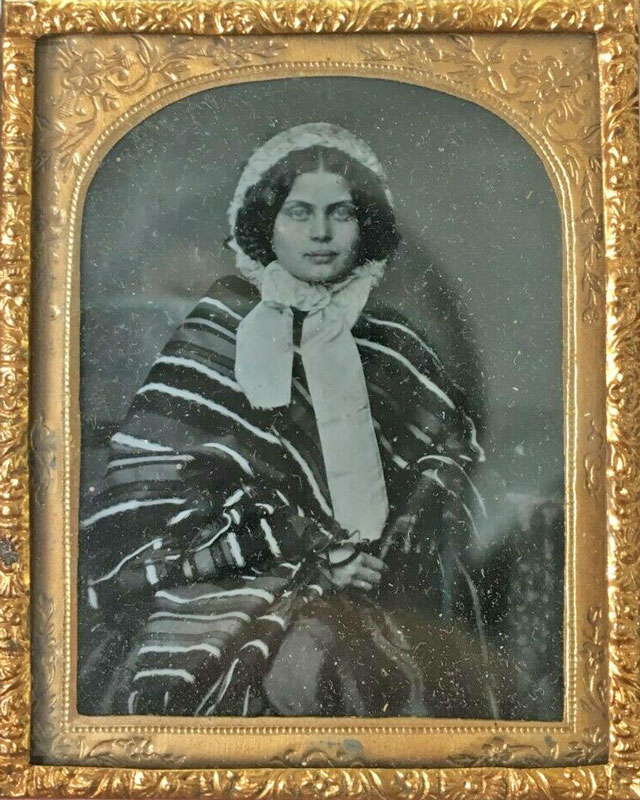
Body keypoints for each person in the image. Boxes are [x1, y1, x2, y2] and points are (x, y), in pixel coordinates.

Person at [78, 122, 498, 718]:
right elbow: (159, 496)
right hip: (227, 584)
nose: (321, 233)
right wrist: (310, 549)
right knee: (286, 669)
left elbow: (445, 462)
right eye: (299, 213)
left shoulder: (396, 347)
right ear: (266, 225)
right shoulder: (215, 336)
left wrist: (392, 543)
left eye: (340, 213)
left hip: (380, 592)